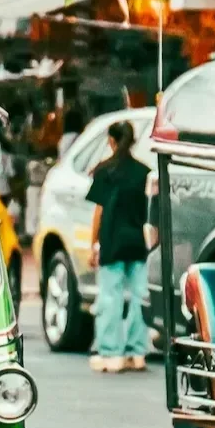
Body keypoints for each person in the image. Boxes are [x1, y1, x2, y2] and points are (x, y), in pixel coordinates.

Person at [85, 118, 151, 373]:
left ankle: (112, 353)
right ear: (133, 141)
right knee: (139, 296)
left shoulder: (104, 171)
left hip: (112, 240)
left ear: (111, 141)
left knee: (110, 297)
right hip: (138, 241)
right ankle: (137, 352)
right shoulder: (144, 172)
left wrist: (94, 244)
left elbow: (99, 212)